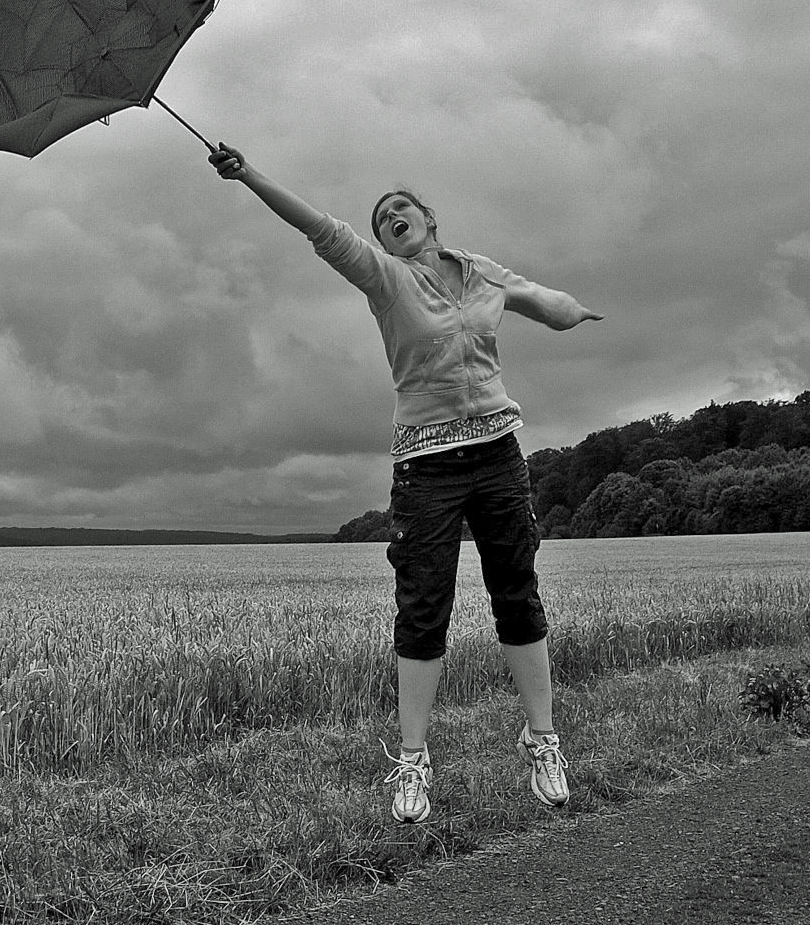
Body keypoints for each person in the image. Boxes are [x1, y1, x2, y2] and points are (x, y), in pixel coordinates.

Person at [207, 141, 603, 823]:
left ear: (430, 219)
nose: (391, 215)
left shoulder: (480, 272)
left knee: (518, 593)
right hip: (426, 467)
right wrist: (249, 176)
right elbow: (320, 229)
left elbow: (540, 300)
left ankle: (543, 740)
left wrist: (574, 310)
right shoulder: (385, 279)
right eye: (382, 214)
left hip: (500, 454)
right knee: (424, 608)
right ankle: (414, 759)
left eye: (401, 207)